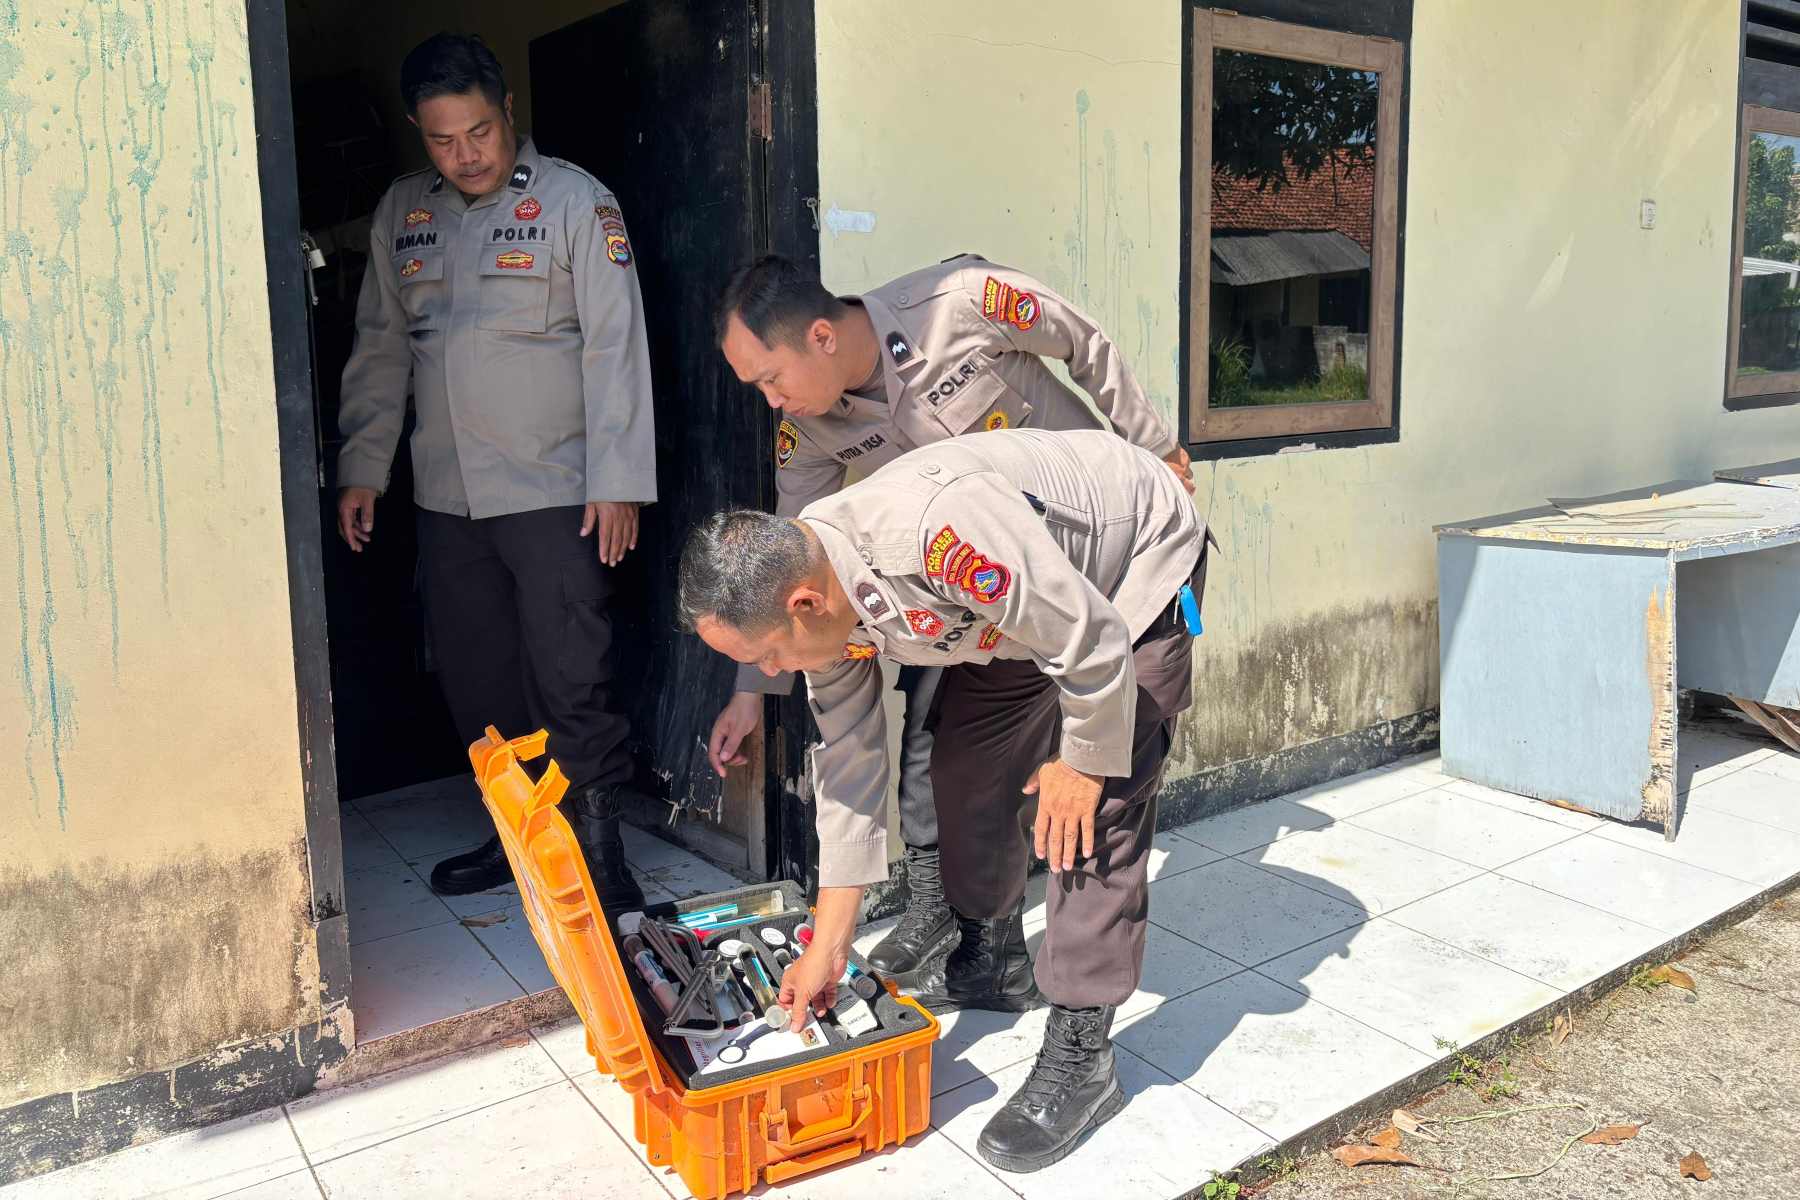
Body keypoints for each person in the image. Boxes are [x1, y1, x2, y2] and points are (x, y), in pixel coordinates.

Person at [678, 428, 1210, 1172]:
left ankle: (1082, 1052)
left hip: (1131, 569)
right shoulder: (823, 598)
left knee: (1089, 812)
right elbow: (851, 768)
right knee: (964, 769)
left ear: (804, 603)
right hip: (1029, 610)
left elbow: (1089, 637)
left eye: (766, 654)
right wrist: (830, 944)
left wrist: (1082, 762)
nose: (769, 673)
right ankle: (993, 963)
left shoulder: (938, 538)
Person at [704, 254, 1192, 986]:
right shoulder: (809, 433)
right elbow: (785, 567)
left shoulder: (960, 304)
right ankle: (971, 933)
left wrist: (1155, 450)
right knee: (950, 757)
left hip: (1103, 556)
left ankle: (1072, 1012)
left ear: (821, 337)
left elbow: (1084, 344)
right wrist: (753, 688)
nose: (771, 401)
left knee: (1098, 781)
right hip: (978, 599)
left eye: (771, 378)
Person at [334, 33, 655, 908]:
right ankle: (518, 839)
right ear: (418, 132)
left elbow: (616, 348)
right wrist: (362, 467)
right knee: (478, 680)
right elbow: (380, 348)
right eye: (443, 140)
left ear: (508, 109)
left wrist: (618, 480)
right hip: (448, 497)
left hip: (557, 490)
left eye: (479, 131)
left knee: (571, 671)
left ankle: (599, 853)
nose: (466, 154)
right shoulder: (404, 212)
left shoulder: (576, 203)